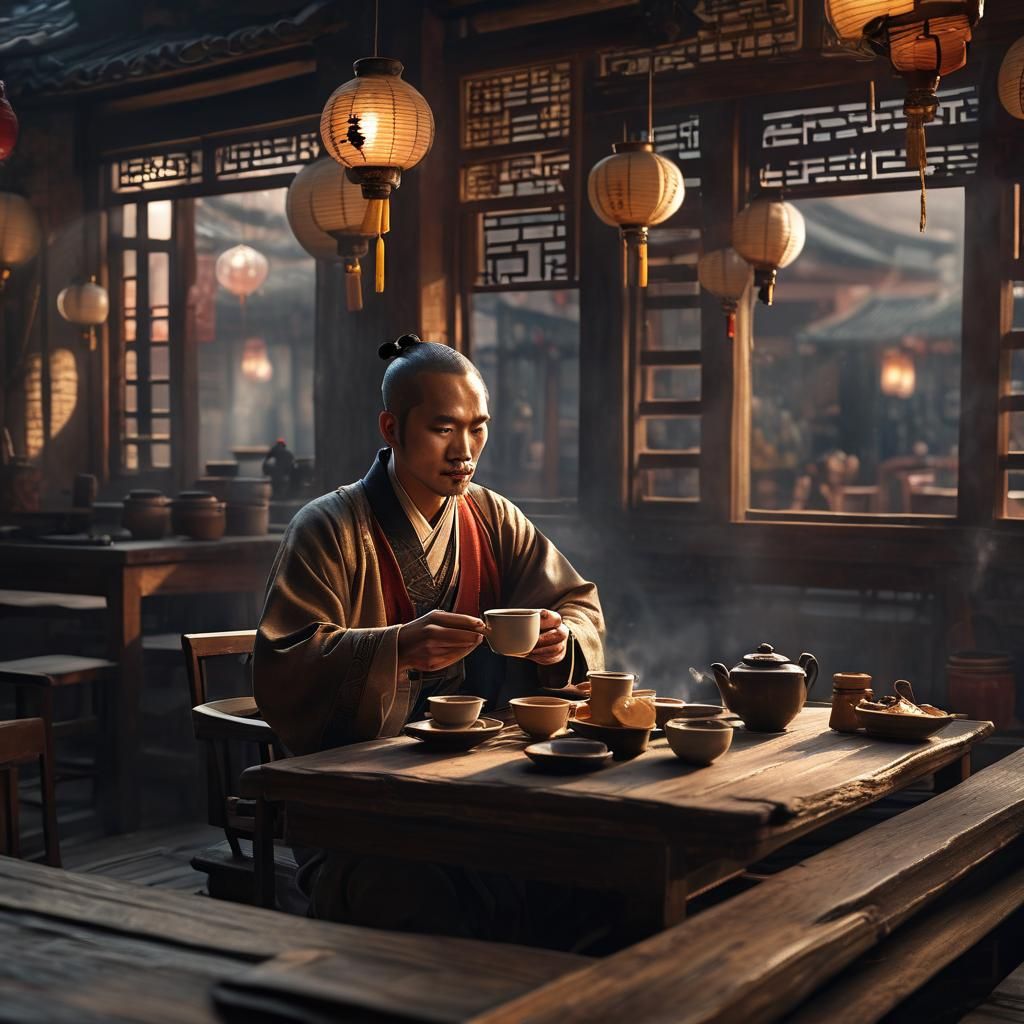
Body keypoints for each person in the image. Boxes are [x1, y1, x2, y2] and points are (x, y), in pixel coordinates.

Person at [253, 333, 605, 944]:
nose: (465, 451)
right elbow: (286, 664)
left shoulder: (492, 518)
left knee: (591, 874)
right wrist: (395, 649)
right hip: (360, 803)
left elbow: (576, 603)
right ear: (392, 428)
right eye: (444, 429)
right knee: (416, 894)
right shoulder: (328, 528)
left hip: (484, 788)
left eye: (478, 427)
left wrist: (560, 638)